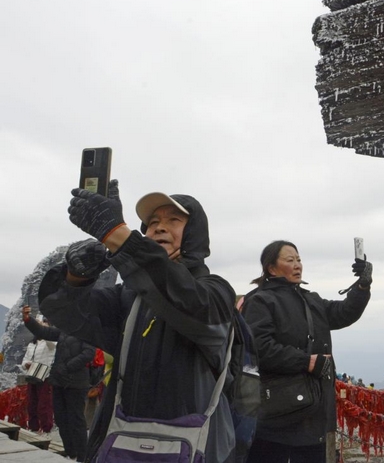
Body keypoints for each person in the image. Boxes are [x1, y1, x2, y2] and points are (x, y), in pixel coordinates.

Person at [39, 181, 236, 462]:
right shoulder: (128, 297)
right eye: (152, 222)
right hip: (122, 445)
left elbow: (190, 303)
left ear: (195, 234)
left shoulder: (215, 291)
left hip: (193, 449)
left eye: (174, 220)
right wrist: (76, 277)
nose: (159, 227)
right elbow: (69, 313)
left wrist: (116, 234)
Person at [242, 240, 372, 463]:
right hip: (275, 419)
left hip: (315, 417)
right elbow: (259, 348)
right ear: (271, 268)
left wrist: (362, 286)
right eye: (290, 260)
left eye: (299, 259)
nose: (297, 265)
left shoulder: (311, 300)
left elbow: (344, 313)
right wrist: (307, 362)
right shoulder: (260, 301)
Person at [23, 305, 95, 460]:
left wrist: (67, 367)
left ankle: (83, 455)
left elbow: (89, 353)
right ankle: (70, 453)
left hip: (76, 384)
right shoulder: (63, 331)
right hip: (59, 383)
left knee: (76, 420)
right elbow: (44, 332)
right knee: (61, 419)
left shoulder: (87, 332)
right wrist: (28, 320)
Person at [20, 309, 56, 436]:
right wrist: (26, 364)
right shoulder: (32, 344)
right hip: (32, 375)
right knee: (32, 403)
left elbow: (51, 344)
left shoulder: (50, 343)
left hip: (45, 376)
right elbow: (25, 360)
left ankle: (46, 429)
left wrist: (45, 330)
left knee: (44, 405)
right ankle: (33, 428)